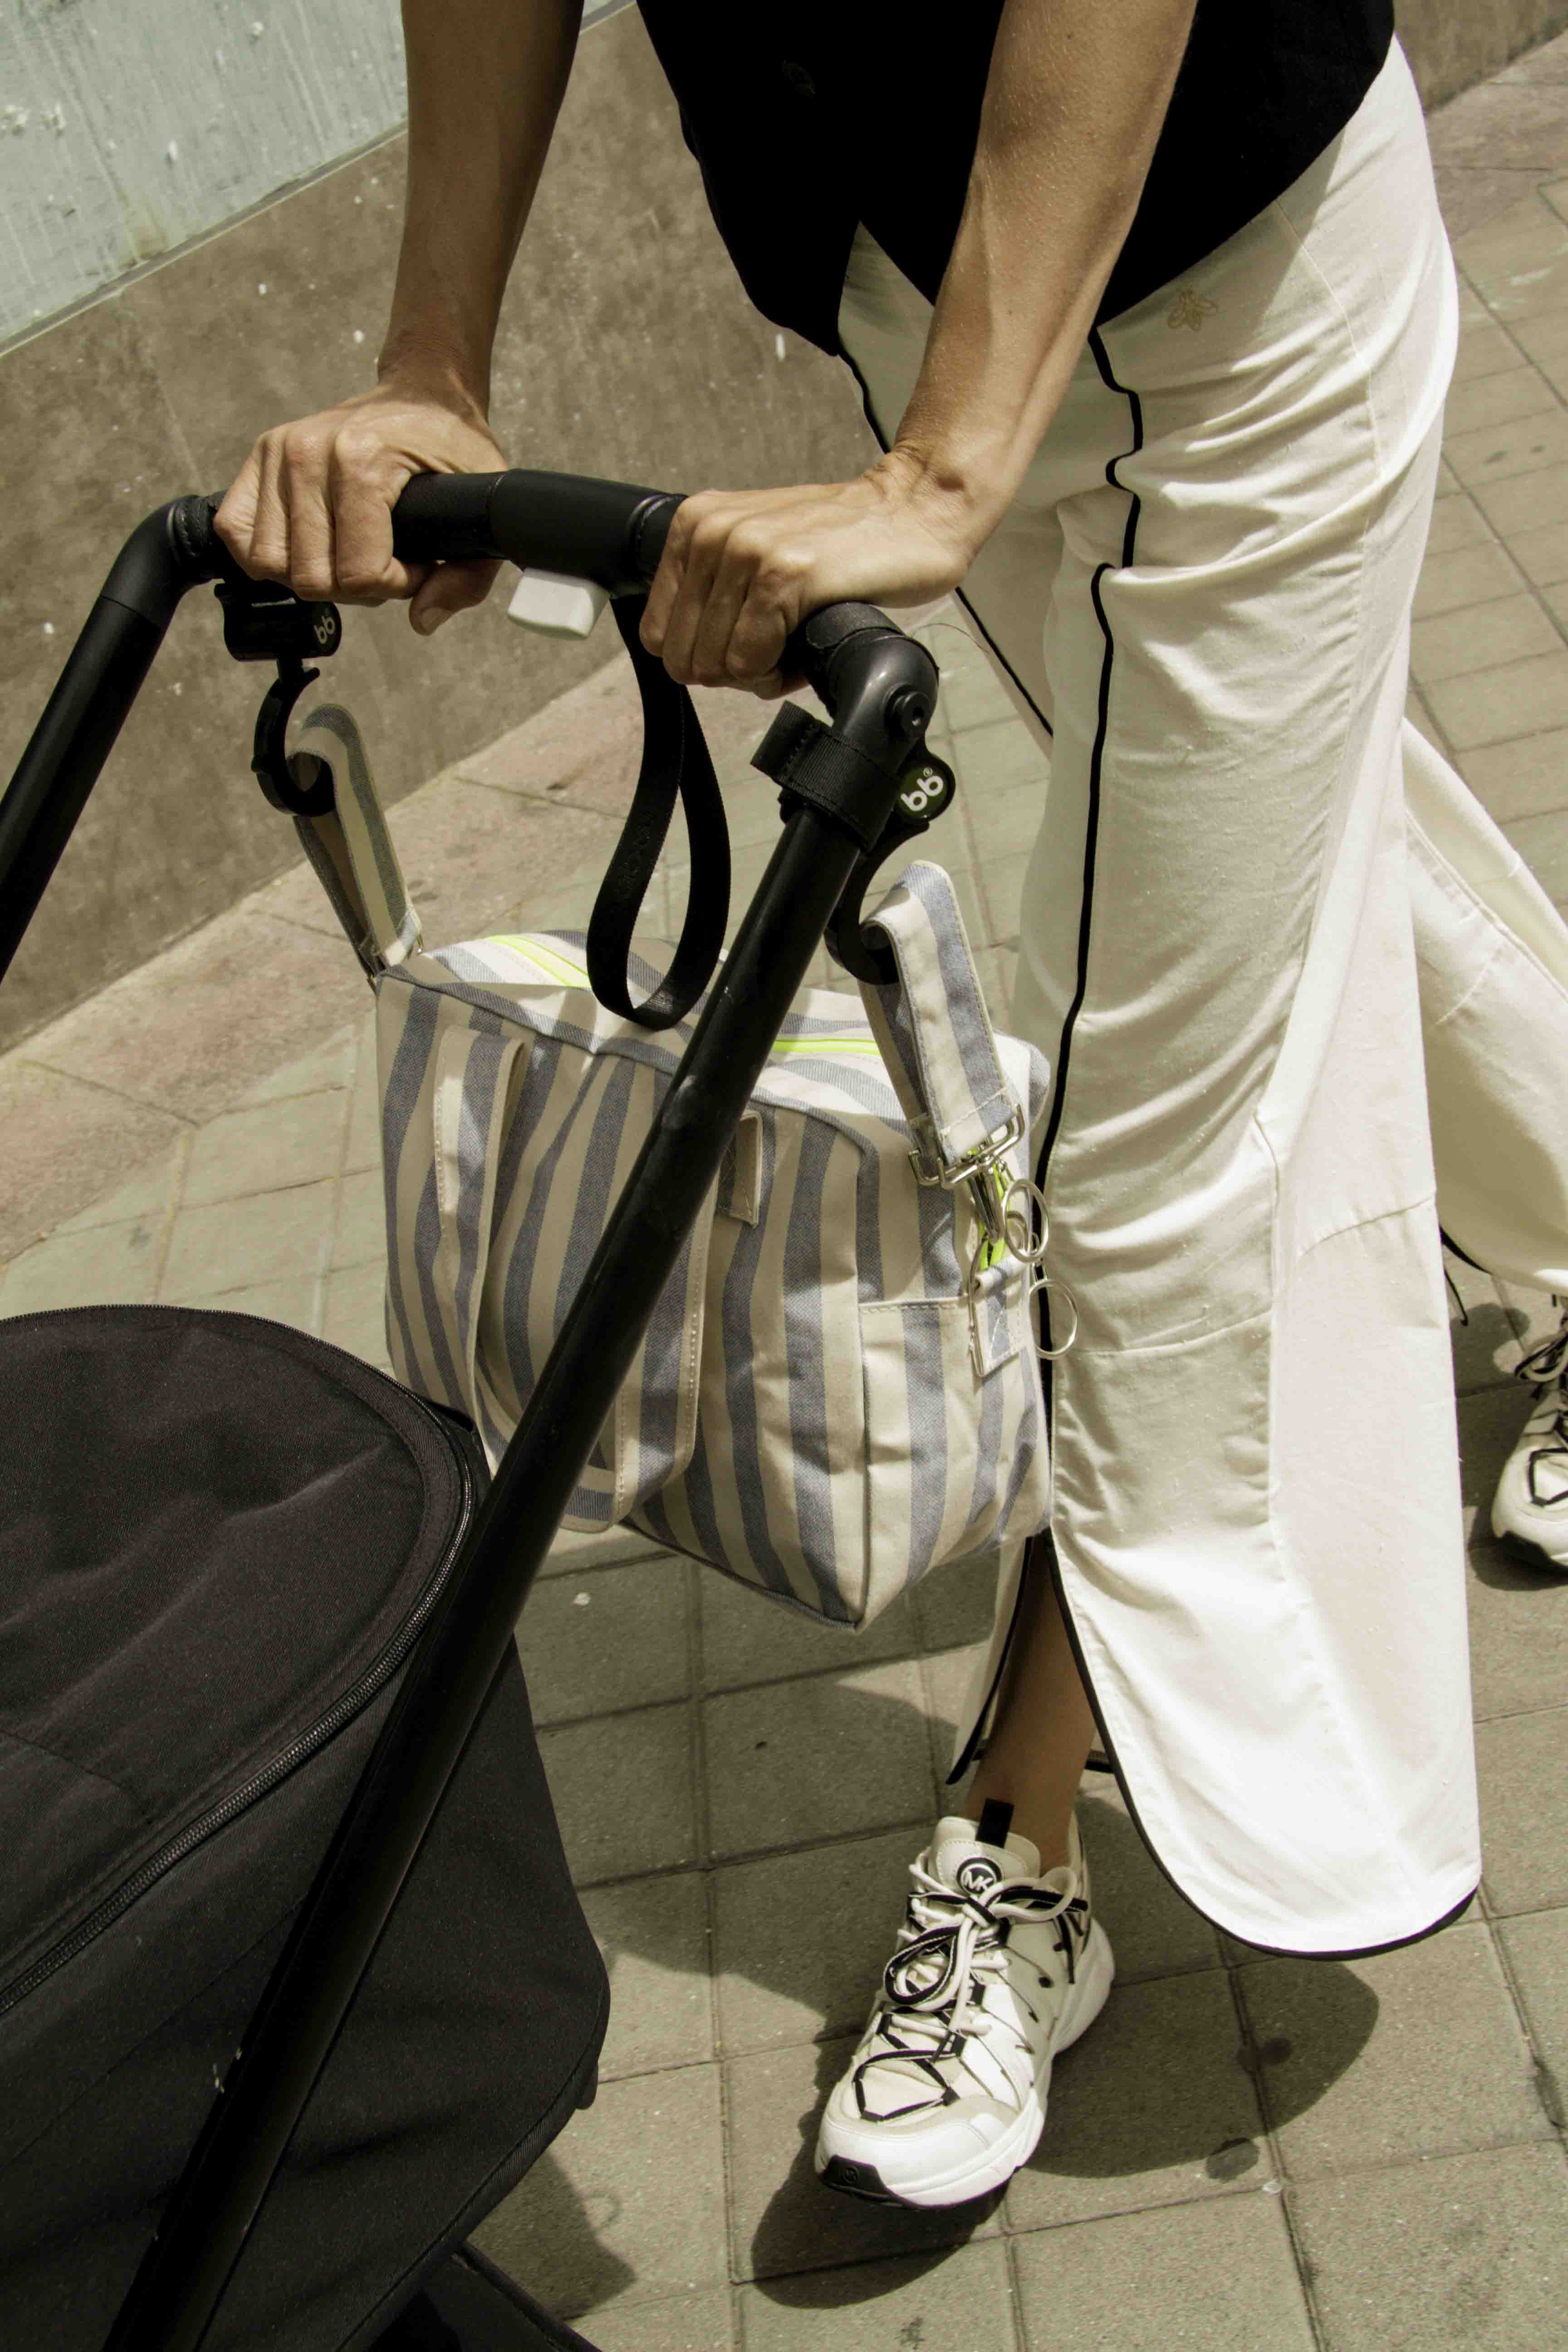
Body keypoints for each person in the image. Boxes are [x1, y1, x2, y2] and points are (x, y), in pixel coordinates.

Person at [217, 0, 1568, 2211]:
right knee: (1281, 866)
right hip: (927, 289)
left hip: (1235, 292)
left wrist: (944, 469)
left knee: (1138, 1120)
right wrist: (430, 362)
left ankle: (1025, 1837)